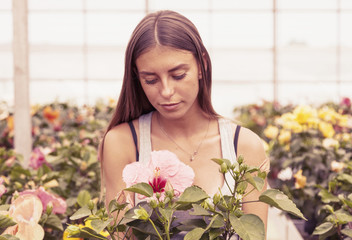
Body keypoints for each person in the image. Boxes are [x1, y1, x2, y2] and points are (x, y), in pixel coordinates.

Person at [100, 9, 269, 237]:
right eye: (150, 80)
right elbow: (119, 235)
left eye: (178, 75)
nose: (166, 91)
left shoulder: (244, 146)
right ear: (136, 77)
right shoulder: (123, 142)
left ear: (202, 65)